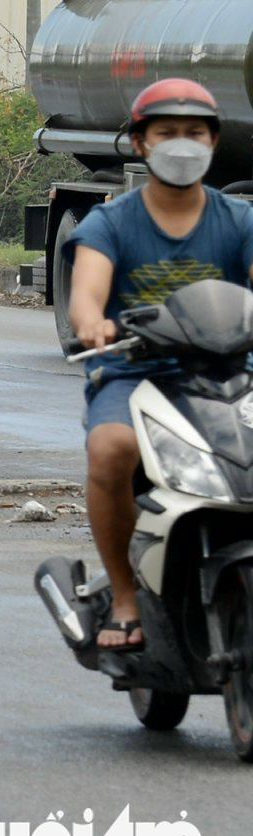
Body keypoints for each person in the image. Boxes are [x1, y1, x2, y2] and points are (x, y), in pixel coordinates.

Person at [66, 78, 253, 652]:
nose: (181, 144)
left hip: (227, 373)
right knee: (110, 451)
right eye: (166, 132)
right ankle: (125, 595)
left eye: (193, 133)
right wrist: (93, 323)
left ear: (214, 142)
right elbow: (86, 296)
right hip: (133, 372)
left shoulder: (239, 220)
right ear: (142, 144)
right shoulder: (111, 222)